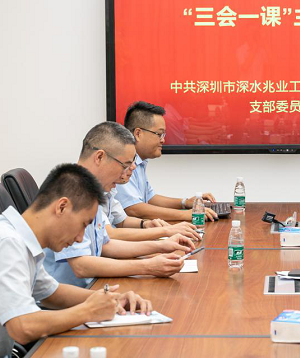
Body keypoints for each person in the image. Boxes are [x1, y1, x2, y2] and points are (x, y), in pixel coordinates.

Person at [0, 164, 152, 358]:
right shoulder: (6, 243)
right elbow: (23, 327)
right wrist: (89, 311)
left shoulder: (21, 239)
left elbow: (52, 294)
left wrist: (112, 299)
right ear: (62, 207)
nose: (80, 238)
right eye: (83, 224)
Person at [44, 122, 194, 288]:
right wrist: (148, 266)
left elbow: (106, 245)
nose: (126, 172)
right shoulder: (71, 191)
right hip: (71, 296)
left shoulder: (90, 189)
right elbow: (81, 266)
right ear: (99, 157)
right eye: (124, 165)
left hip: (92, 287)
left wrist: (162, 246)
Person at [115, 101, 218, 221]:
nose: (163, 140)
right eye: (159, 134)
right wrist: (186, 215)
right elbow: (134, 208)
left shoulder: (140, 162)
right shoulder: (122, 163)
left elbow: (150, 198)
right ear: (138, 134)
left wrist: (185, 202)